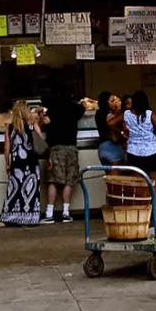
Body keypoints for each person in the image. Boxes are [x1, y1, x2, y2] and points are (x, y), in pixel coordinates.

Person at [0, 100, 44, 227]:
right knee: (31, 189)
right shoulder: (32, 125)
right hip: (32, 163)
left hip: (17, 163)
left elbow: (7, 148)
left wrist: (7, 163)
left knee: (14, 189)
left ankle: (12, 216)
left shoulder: (10, 127)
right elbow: (40, 143)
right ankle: (31, 217)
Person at [42, 90, 85, 223]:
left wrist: (40, 113)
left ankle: (49, 213)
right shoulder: (76, 109)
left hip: (56, 148)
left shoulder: (53, 109)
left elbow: (45, 122)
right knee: (69, 181)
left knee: (53, 180)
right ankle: (66, 213)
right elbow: (83, 108)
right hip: (71, 147)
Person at [123, 89, 156, 200]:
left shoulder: (127, 114)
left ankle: (141, 215)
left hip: (134, 152)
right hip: (153, 151)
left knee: (137, 186)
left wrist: (123, 133)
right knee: (154, 187)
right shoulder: (149, 114)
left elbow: (110, 123)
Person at [95, 92, 125, 167]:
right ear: (106, 103)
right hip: (113, 147)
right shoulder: (111, 116)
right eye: (112, 101)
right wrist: (119, 109)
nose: (114, 103)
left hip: (101, 148)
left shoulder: (98, 113)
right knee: (115, 177)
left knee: (108, 176)